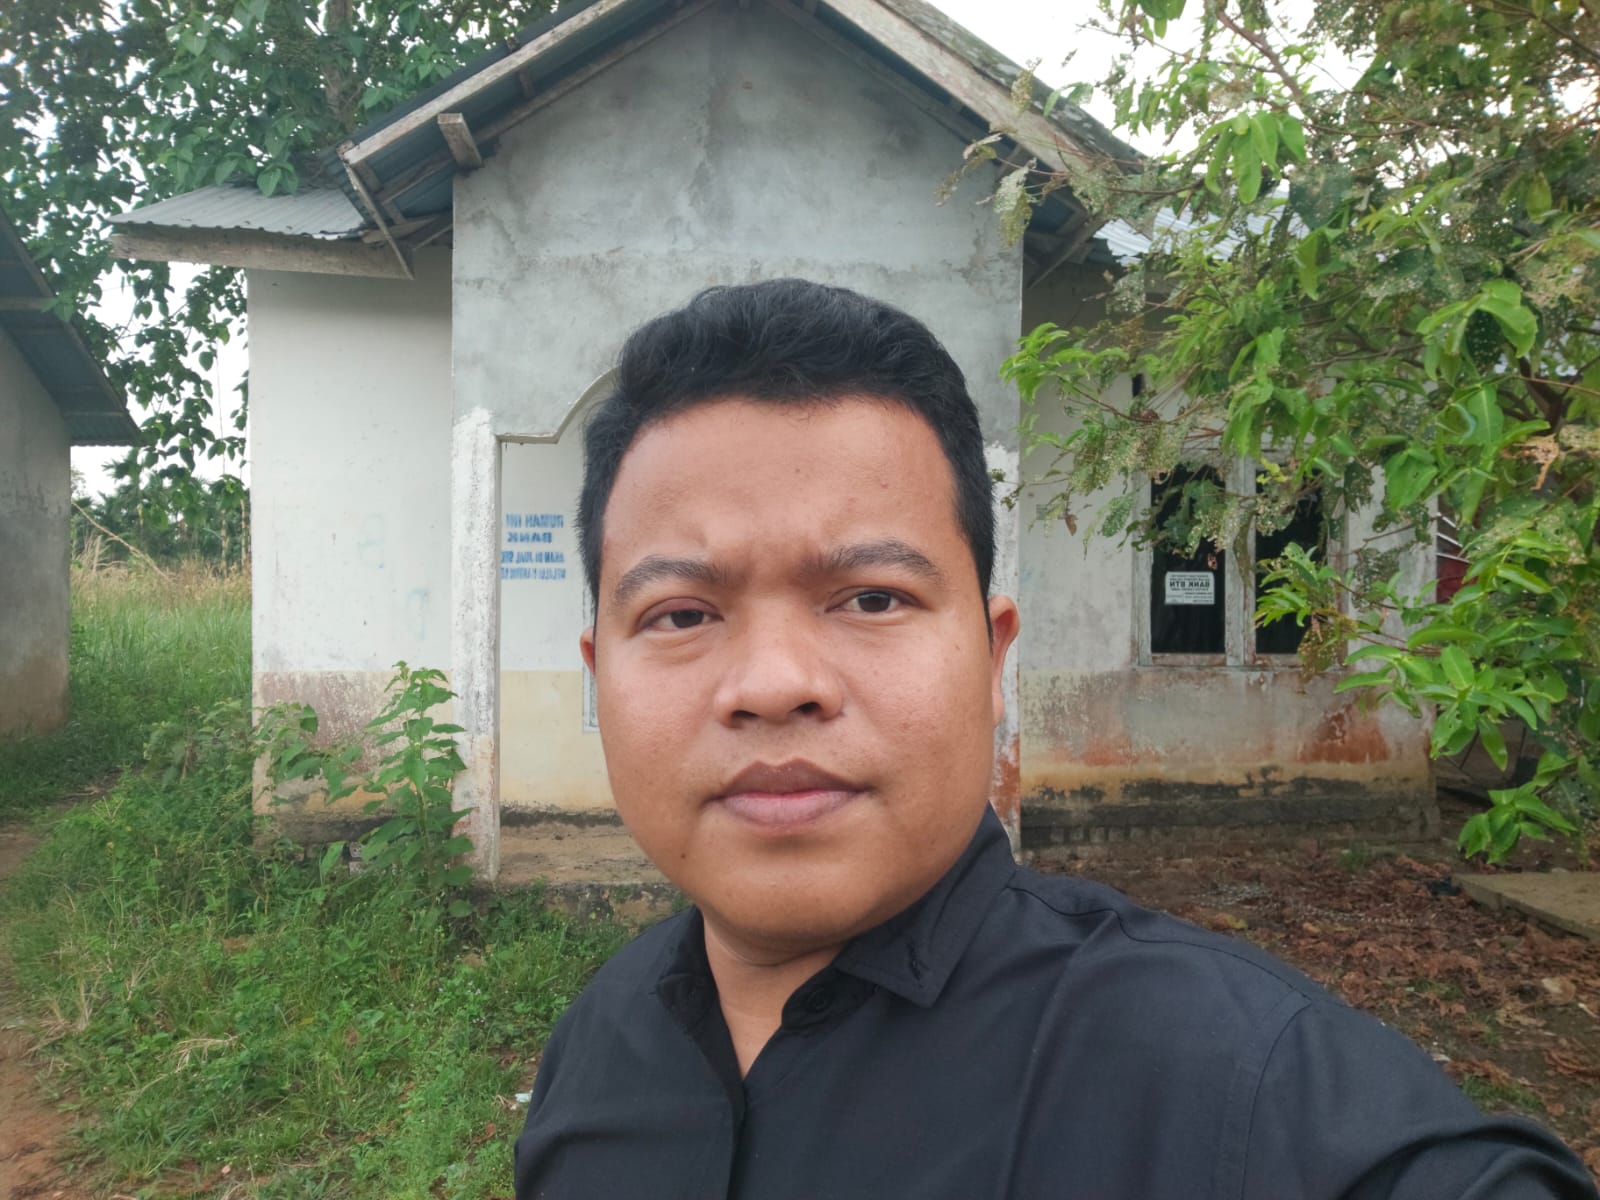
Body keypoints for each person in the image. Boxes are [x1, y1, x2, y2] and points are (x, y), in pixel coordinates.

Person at [513, 279, 1597, 1200]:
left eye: (873, 598)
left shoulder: (1237, 1083)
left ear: (993, 662)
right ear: (601, 675)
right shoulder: (599, 1048)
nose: (773, 685)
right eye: (682, 615)